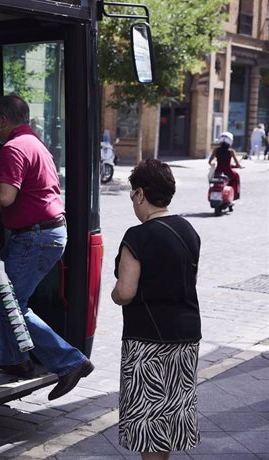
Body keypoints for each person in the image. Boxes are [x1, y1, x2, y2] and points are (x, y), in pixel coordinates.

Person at [0, 95, 93, 401]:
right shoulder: (35, 144)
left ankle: (69, 361)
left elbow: (5, 198)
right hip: (41, 234)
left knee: (11, 303)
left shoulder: (14, 148)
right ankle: (13, 360)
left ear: (3, 120)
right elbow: (15, 201)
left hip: (35, 238)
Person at [111, 158, 202, 460]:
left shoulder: (137, 236)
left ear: (140, 194)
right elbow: (190, 281)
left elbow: (125, 292)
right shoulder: (188, 230)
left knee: (149, 422)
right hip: (185, 337)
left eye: (132, 195)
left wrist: (113, 292)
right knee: (169, 417)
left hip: (147, 341)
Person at [208, 131, 242, 199]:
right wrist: (239, 166)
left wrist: (213, 164)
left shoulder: (216, 150)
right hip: (228, 172)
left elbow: (210, 161)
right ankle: (234, 195)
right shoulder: (231, 151)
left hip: (218, 172)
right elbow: (237, 164)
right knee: (236, 176)